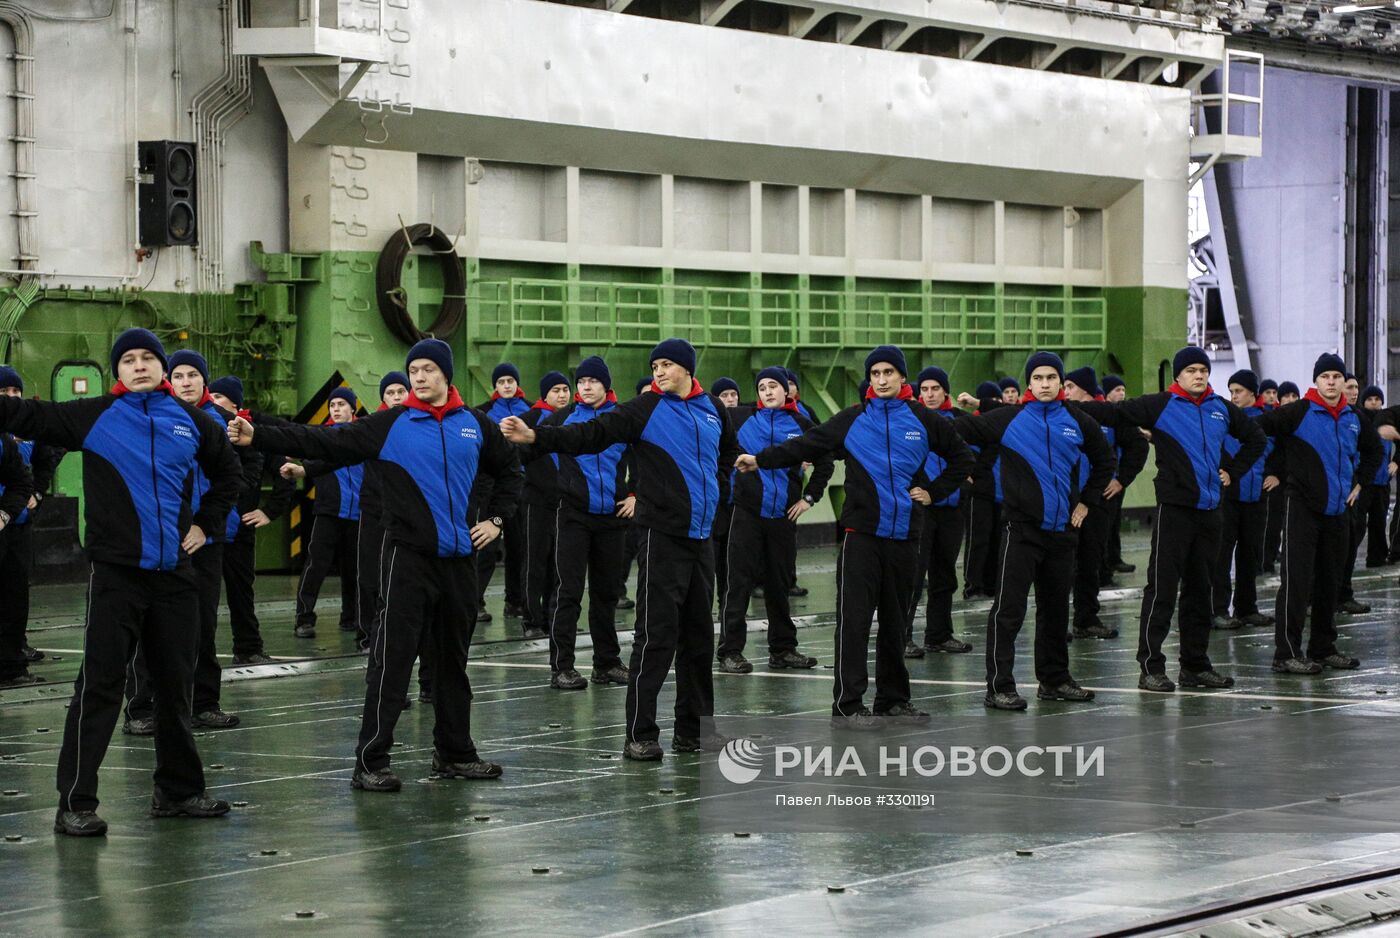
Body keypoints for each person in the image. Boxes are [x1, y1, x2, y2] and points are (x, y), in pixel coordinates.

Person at [229, 338, 521, 791]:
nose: (419, 377)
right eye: (414, 370)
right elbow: (322, 438)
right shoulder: (390, 426)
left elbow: (510, 472)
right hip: (407, 558)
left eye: (427, 369)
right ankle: (370, 761)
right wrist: (260, 433)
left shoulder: (476, 426)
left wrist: (497, 521)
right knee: (392, 660)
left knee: (452, 662)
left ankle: (455, 753)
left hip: (460, 562)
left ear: (447, 374)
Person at [0, 328, 240, 835]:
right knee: (100, 687)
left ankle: (178, 791)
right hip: (116, 575)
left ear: (161, 366)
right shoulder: (92, 418)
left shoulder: (195, 422)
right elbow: (22, 415)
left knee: (176, 689)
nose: (137, 366)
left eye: (146, 358)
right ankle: (76, 802)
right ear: (116, 372)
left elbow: (229, 475)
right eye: (127, 360)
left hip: (175, 577)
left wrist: (205, 525)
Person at [502, 338, 738, 760]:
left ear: (687, 369)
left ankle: (694, 730)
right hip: (660, 536)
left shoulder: (712, 410)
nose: (660, 371)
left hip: (701, 540)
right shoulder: (644, 409)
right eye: (655, 365)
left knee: (701, 639)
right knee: (655, 637)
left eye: (667, 364)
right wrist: (536, 436)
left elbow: (726, 456)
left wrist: (719, 496)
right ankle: (640, 733)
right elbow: (591, 433)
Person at [737, 345, 974, 729]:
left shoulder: (922, 420)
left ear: (901, 378)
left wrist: (932, 491)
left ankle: (893, 701)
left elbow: (963, 458)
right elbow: (806, 445)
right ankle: (848, 705)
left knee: (897, 623)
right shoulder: (852, 420)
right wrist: (760, 459)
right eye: (875, 374)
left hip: (904, 537)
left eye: (888, 373)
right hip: (861, 536)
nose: (881, 380)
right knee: (855, 621)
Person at [955, 353, 1116, 710]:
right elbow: (958, 431)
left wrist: (1088, 501)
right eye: (1038, 378)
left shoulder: (1078, 420)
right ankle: (999, 686)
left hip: (1062, 533)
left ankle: (1055, 680)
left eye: (1051, 378)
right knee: (1008, 610)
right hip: (1021, 531)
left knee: (1056, 611)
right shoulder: (1009, 419)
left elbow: (1105, 461)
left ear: (1061, 383)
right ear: (1029, 383)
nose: (1045, 383)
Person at [1113, 346, 1266, 692]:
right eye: (1192, 370)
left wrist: (1234, 471)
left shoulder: (1221, 409)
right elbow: (1114, 413)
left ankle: (1195, 666)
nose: (1199, 375)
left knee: (1200, 590)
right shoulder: (1161, 405)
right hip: (1175, 512)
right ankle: (1151, 667)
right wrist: (1067, 407)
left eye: (1203, 369)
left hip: (1211, 513)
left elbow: (1256, 439)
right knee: (1162, 590)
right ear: (1178, 376)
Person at [124, 350, 250, 733]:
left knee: (203, 624)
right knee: (151, 627)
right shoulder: (149, 418)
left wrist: (206, 526)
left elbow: (240, 473)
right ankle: (142, 709)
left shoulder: (224, 424)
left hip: (205, 541)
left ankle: (204, 703)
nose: (185, 382)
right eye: (177, 375)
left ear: (204, 381)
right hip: (159, 540)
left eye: (192, 375)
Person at [1260, 354, 1381, 674]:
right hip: (1302, 510)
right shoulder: (1298, 412)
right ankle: (1285, 653)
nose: (1330, 381)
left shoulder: (1354, 417)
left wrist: (1362, 483)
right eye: (1324, 376)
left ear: (1344, 382)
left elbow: (1374, 450)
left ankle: (1323, 648)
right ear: (1315, 381)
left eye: (1336, 376)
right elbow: (1259, 427)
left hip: (1338, 511)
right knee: (1297, 582)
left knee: (1330, 582)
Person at [718, 366, 833, 673]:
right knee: (738, 582)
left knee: (778, 584)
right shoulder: (741, 421)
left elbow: (825, 461)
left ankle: (782, 649)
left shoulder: (802, 425)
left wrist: (810, 498)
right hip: (746, 515)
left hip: (782, 517)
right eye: (762, 388)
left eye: (773, 386)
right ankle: (730, 650)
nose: (767, 392)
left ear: (787, 391)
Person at [525, 356, 631, 690]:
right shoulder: (562, 418)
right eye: (580, 382)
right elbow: (524, 455)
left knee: (606, 593)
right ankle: (562, 667)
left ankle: (607, 662)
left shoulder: (624, 419)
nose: (585, 387)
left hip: (613, 517)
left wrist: (636, 493)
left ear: (606, 386)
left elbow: (645, 460)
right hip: (573, 516)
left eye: (592, 382)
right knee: (568, 591)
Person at [1061, 366, 1147, 640]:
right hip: (1066, 500)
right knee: (1060, 562)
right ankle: (1056, 623)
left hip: (1096, 501)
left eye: (1070, 386)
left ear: (1084, 389)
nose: (1066, 391)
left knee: (1090, 560)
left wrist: (1121, 479)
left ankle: (1086, 618)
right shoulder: (1060, 414)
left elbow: (1138, 445)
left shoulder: (1110, 418)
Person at [281, 387, 364, 642]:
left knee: (355, 570)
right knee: (316, 566)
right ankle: (304, 619)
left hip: (360, 514)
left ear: (353, 408)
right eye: (332, 405)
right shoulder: (321, 437)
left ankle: (350, 617)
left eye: (341, 404)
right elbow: (297, 446)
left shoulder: (364, 436)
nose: (336, 409)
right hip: (329, 512)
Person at [204, 375, 275, 666]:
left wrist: (251, 502)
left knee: (241, 591)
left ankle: (248, 646)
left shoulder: (241, 430)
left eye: (221, 398)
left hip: (235, 526)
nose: (215, 402)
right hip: (204, 527)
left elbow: (258, 463)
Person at [904, 365, 973, 658]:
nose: (930, 395)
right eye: (925, 390)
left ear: (946, 391)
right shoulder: (912, 420)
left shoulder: (961, 421)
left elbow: (985, 453)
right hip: (922, 508)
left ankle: (939, 634)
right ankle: (902, 636)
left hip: (952, 508)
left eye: (935, 389)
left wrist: (970, 481)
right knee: (914, 575)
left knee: (945, 574)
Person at [0, 365, 59, 684]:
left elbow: (29, 474)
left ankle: (11, 663)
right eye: (4, 393)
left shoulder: (17, 437)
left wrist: (31, 495)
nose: (10, 398)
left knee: (14, 594)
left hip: (16, 525)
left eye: (14, 392)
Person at [1209, 369, 1275, 631]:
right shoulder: (1225, 419)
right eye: (1231, 391)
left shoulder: (1268, 420)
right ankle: (1218, 609)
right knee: (1222, 555)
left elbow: (1282, 450)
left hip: (1257, 496)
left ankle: (1247, 608)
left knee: (1251, 554)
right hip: (1229, 496)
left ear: (1252, 393)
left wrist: (1276, 475)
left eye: (1239, 391)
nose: (1234, 396)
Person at [517, 371, 572, 642]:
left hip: (565, 504)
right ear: (544, 394)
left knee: (558, 563)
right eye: (556, 390)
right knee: (535, 562)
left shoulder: (574, 420)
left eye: (565, 389)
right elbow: (514, 460)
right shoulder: (530, 421)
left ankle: (552, 617)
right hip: (537, 503)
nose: (562, 394)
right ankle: (531, 618)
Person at [475, 363, 530, 620]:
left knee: (518, 547)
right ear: (495, 386)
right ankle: (475, 601)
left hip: (521, 487)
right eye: (501, 381)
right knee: (485, 546)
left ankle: (515, 601)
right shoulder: (483, 413)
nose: (507, 385)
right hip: (489, 488)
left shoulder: (530, 412)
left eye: (511, 380)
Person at [960, 380, 1004, 600]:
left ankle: (990, 584)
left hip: (1001, 492)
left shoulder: (1001, 422)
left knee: (997, 539)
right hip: (981, 490)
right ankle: (973, 585)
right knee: (979, 538)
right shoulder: (975, 425)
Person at [0, 420, 36, 687]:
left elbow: (22, 481)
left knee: (12, 596)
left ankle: (10, 667)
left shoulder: (3, 440)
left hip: (9, 530)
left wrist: (5, 513)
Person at [1263, 379, 1303, 572]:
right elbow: (1271, 453)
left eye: (1294, 396)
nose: (1290, 399)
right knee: (1273, 524)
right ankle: (1266, 561)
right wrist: (1273, 474)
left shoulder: (1303, 422)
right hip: (1279, 481)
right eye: (1286, 396)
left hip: (1296, 481)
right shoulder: (1275, 422)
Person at [1099, 373, 1135, 576]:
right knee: (1104, 523)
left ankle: (1113, 558)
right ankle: (1104, 563)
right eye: (1117, 390)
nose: (1122, 393)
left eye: (1123, 390)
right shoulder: (1103, 418)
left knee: (1114, 520)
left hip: (1116, 478)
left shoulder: (1122, 419)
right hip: (1103, 479)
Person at [1358, 385, 1395, 568]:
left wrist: (1396, 461)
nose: (1374, 402)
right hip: (1364, 482)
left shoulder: (1387, 420)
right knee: (1357, 524)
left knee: (1379, 522)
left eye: (1377, 399)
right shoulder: (1359, 419)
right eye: (1370, 399)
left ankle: (1377, 558)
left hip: (1382, 481)